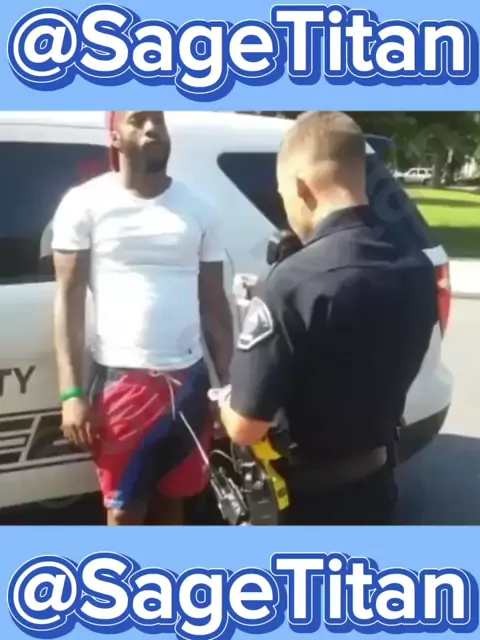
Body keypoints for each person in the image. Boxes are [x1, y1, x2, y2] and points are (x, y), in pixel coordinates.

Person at [217, 111, 438, 525]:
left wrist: (225, 401)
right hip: (377, 488)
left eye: (284, 194)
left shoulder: (295, 281)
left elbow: (246, 427)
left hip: (308, 505)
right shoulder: (416, 266)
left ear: (301, 186)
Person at [51, 111, 233, 526]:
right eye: (138, 120)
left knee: (176, 501)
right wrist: (71, 393)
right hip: (122, 382)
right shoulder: (83, 204)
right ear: (114, 137)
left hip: (187, 381)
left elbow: (215, 305)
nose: (153, 128)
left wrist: (227, 387)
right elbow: (68, 301)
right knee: (123, 511)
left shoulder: (200, 209)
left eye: (158, 120)